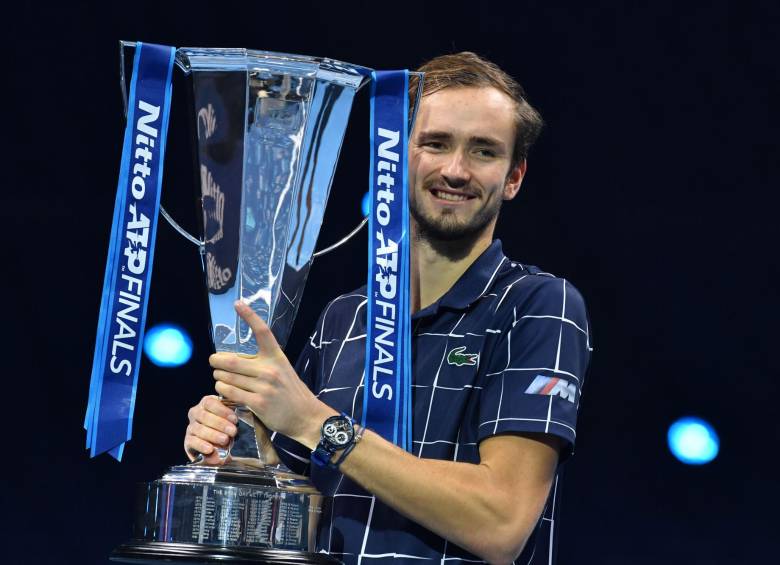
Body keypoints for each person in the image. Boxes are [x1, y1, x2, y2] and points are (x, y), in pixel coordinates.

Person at [184, 52, 592, 564]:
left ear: (513, 177)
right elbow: (294, 509)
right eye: (436, 143)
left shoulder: (539, 305)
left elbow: (501, 521)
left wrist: (317, 423)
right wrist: (242, 448)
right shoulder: (343, 318)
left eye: (484, 151)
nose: (456, 170)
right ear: (396, 156)